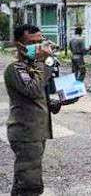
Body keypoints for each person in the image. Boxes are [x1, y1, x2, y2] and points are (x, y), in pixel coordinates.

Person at [4, 24, 62, 196]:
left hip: (37, 132)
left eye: (40, 41)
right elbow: (33, 90)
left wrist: (57, 101)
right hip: (25, 133)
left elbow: (42, 95)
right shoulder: (15, 69)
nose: (38, 47)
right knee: (30, 184)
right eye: (33, 43)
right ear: (20, 45)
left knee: (25, 181)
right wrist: (45, 61)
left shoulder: (36, 67)